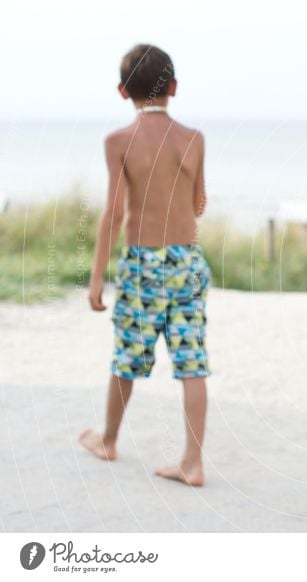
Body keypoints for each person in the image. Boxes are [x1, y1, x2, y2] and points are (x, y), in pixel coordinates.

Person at [79, 44, 211, 487]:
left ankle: (109, 439)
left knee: (127, 357)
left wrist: (97, 278)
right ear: (173, 87)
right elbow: (198, 203)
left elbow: (114, 213)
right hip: (187, 261)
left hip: (142, 266)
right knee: (192, 361)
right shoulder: (194, 138)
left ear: (122, 91)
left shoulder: (118, 142)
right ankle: (193, 462)